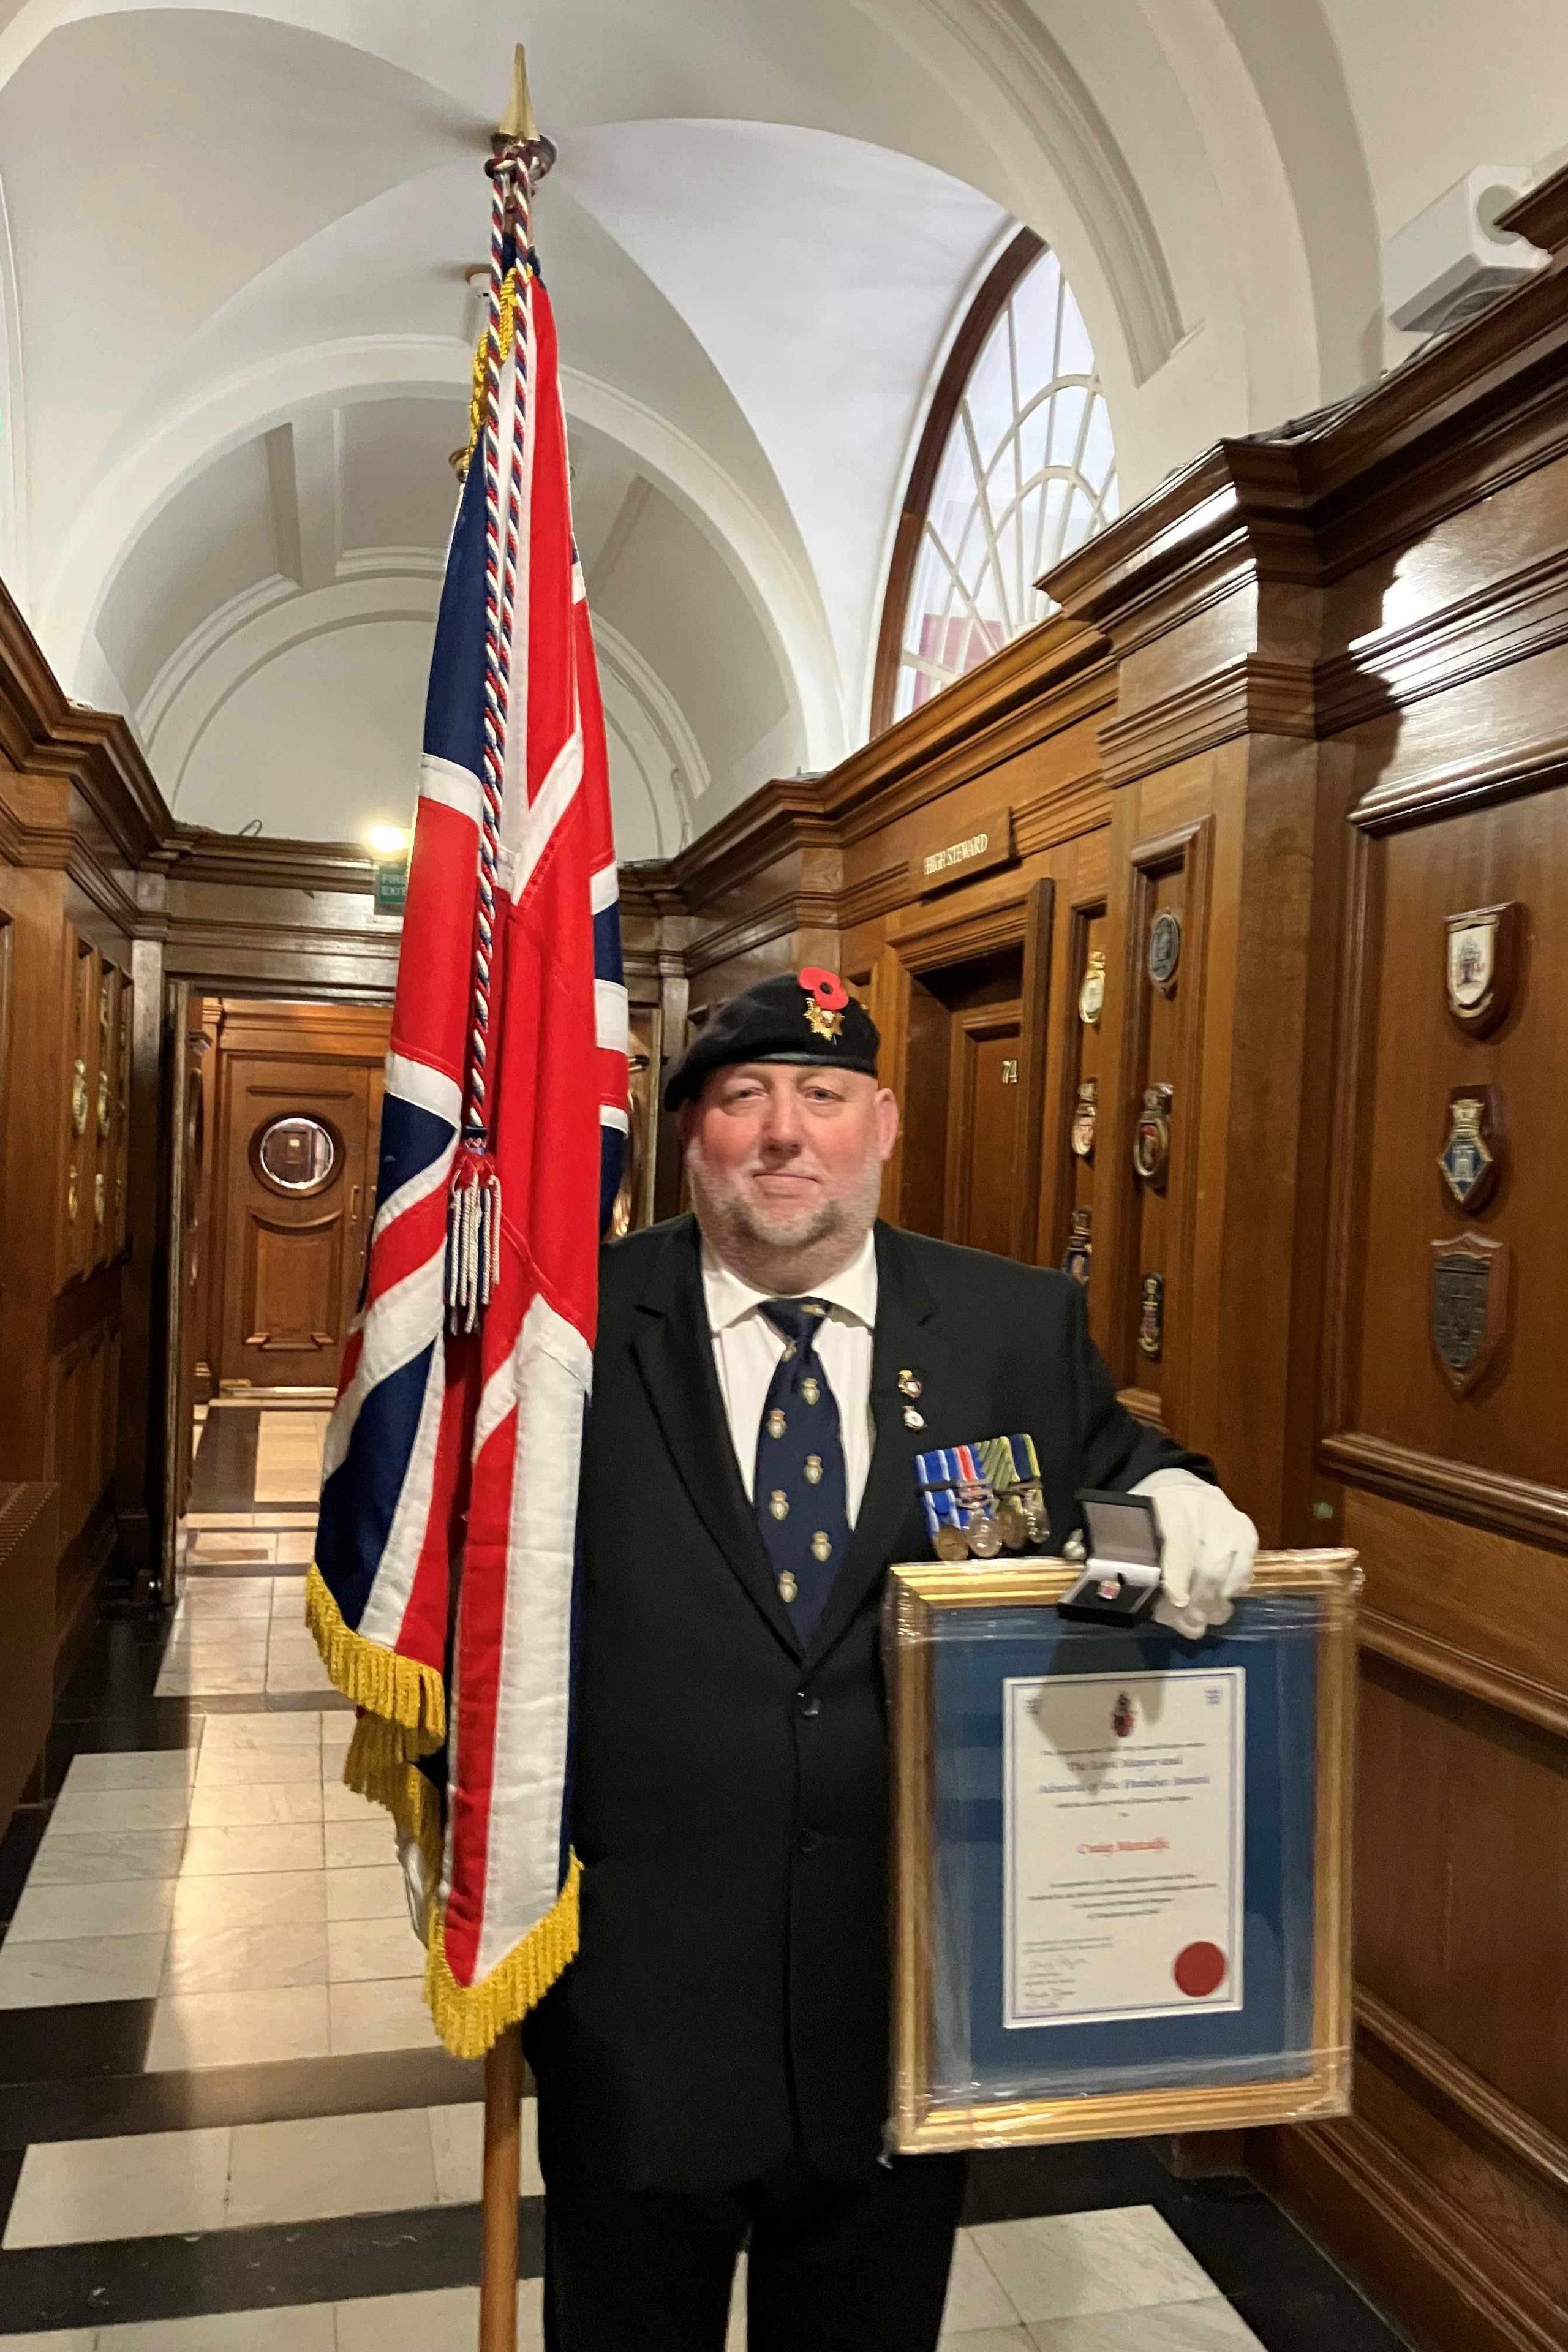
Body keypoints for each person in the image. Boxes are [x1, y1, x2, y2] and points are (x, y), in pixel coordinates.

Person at [526, 968, 1257, 2352]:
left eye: (821, 1094)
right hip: (638, 1997)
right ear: (690, 1135)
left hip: (904, 1999)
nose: (783, 1133)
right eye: (741, 1097)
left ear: (884, 1120)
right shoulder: (562, 1333)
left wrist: (1176, 1501)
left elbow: (1106, 1495)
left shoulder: (1005, 1326)